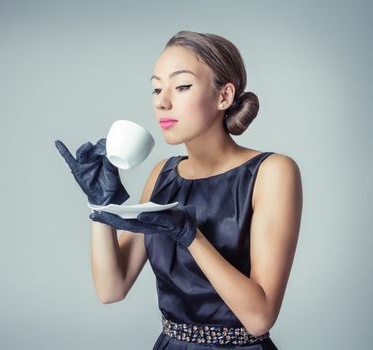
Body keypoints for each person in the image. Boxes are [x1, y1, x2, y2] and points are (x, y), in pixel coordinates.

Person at [55, 30, 302, 349]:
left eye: (182, 86)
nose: (162, 101)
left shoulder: (272, 171)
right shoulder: (163, 174)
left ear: (224, 96)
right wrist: (99, 206)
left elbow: (260, 317)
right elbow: (111, 289)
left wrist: (192, 237)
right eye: (156, 88)